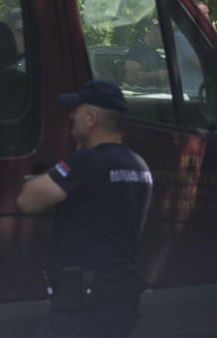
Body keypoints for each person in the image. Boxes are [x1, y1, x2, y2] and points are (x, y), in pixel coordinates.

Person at [16, 80, 153, 338]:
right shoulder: (139, 166)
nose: (70, 116)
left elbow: (28, 200)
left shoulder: (87, 162)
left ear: (91, 118)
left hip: (84, 304)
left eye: (75, 110)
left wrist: (42, 176)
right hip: (123, 299)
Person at [124, 21, 168, 88]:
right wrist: (156, 75)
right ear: (154, 34)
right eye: (161, 41)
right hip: (140, 95)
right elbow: (131, 76)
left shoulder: (155, 53)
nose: (162, 44)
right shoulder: (138, 49)